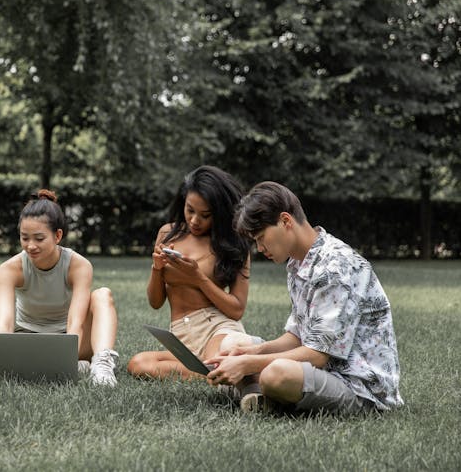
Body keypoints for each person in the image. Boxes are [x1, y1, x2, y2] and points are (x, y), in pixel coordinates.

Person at [206, 181, 403, 414]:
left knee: (276, 374)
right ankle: (260, 396)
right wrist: (249, 353)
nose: (259, 248)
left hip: (359, 387)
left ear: (286, 221)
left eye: (260, 237)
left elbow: (317, 356)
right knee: (232, 342)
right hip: (323, 372)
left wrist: (248, 364)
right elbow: (298, 337)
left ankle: (258, 391)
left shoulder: (334, 267)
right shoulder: (299, 262)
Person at [0, 189, 120, 386]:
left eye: (39, 239)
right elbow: (5, 325)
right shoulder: (10, 269)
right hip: (26, 341)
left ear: (58, 236)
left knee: (102, 294)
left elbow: (76, 321)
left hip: (69, 342)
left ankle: (101, 366)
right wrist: (4, 350)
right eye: (25, 238)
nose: (31, 245)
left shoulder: (79, 265)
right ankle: (64, 366)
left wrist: (67, 354)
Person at [127, 166, 257, 380]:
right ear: (183, 204)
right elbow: (155, 302)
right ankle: (212, 373)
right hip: (181, 336)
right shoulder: (167, 233)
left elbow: (236, 309)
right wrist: (157, 269)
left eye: (205, 215)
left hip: (217, 328)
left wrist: (198, 278)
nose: (195, 220)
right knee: (138, 364)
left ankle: (218, 369)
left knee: (217, 357)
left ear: (220, 212)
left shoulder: (234, 244)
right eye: (190, 210)